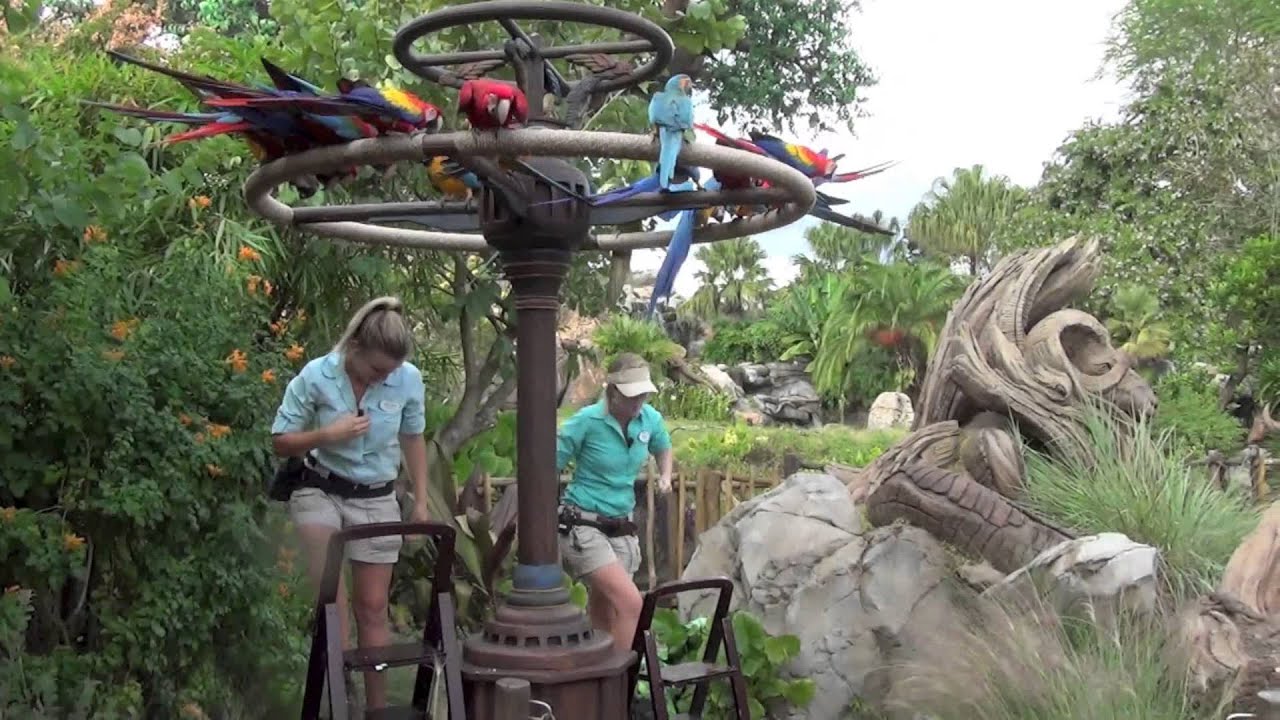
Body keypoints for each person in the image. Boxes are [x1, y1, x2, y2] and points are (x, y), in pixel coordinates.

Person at [270, 296, 430, 710]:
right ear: (355, 348)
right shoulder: (316, 375)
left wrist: (422, 500)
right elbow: (280, 442)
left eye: (390, 373)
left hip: (376, 496)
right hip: (319, 488)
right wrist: (327, 435)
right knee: (332, 599)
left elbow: (413, 438)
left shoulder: (408, 380)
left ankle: (376, 709)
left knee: (373, 607)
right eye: (377, 369)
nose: (383, 378)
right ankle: (340, 696)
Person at [555, 353, 673, 653]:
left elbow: (663, 446)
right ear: (613, 392)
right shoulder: (586, 421)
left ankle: (593, 679)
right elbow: (549, 463)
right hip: (583, 524)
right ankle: (618, 684)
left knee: (605, 611)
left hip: (621, 524)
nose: (638, 402)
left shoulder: (650, 419)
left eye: (644, 395)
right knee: (631, 604)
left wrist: (665, 476)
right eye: (632, 396)